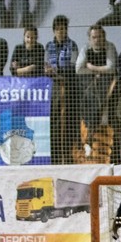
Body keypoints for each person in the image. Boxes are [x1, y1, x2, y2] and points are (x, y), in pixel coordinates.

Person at [45, 15, 80, 164]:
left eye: (64, 28)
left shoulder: (72, 45)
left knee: (69, 122)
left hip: (69, 88)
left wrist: (58, 72)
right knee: (54, 122)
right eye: (58, 29)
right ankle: (56, 157)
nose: (61, 31)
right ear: (54, 30)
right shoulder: (48, 46)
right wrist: (50, 71)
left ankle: (69, 156)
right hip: (53, 89)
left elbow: (74, 66)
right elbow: (45, 65)